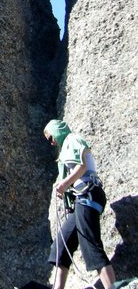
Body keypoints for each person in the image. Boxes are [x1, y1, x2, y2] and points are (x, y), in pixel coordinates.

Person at [43, 120, 116, 289]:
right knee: (62, 244)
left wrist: (64, 184)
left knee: (91, 244)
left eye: (51, 137)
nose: (52, 142)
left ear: (57, 131)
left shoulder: (72, 140)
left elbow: (82, 166)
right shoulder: (66, 147)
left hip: (88, 195)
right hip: (83, 199)